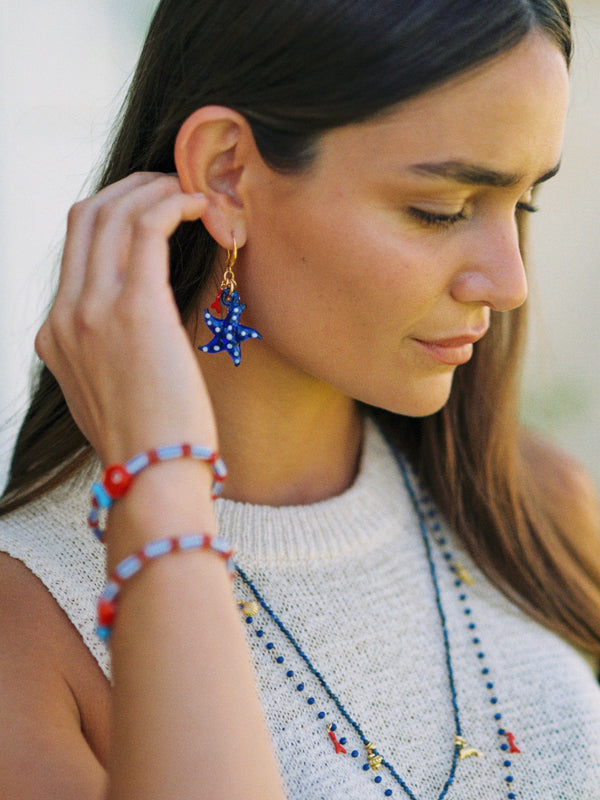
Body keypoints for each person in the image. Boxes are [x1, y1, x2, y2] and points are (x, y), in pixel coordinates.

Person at [0, 0, 599, 798]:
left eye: (521, 203)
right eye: (442, 209)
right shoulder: (29, 631)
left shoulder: (538, 512)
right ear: (227, 175)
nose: (509, 282)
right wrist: (160, 481)